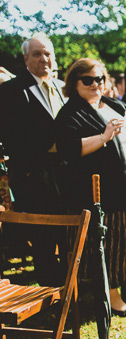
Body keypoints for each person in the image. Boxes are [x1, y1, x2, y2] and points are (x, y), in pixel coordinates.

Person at [55, 58, 126, 317]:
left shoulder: (114, 103)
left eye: (99, 79)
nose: (95, 84)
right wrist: (103, 136)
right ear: (74, 83)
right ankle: (112, 295)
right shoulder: (70, 112)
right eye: (87, 80)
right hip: (103, 188)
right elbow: (69, 149)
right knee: (113, 241)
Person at [0, 33, 68, 286]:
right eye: (37, 54)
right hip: (33, 174)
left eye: (48, 53)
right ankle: (50, 292)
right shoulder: (11, 90)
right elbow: (8, 133)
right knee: (43, 237)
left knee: (66, 232)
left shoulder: (62, 89)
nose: (44, 59)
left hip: (64, 172)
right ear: (25, 58)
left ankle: (69, 288)